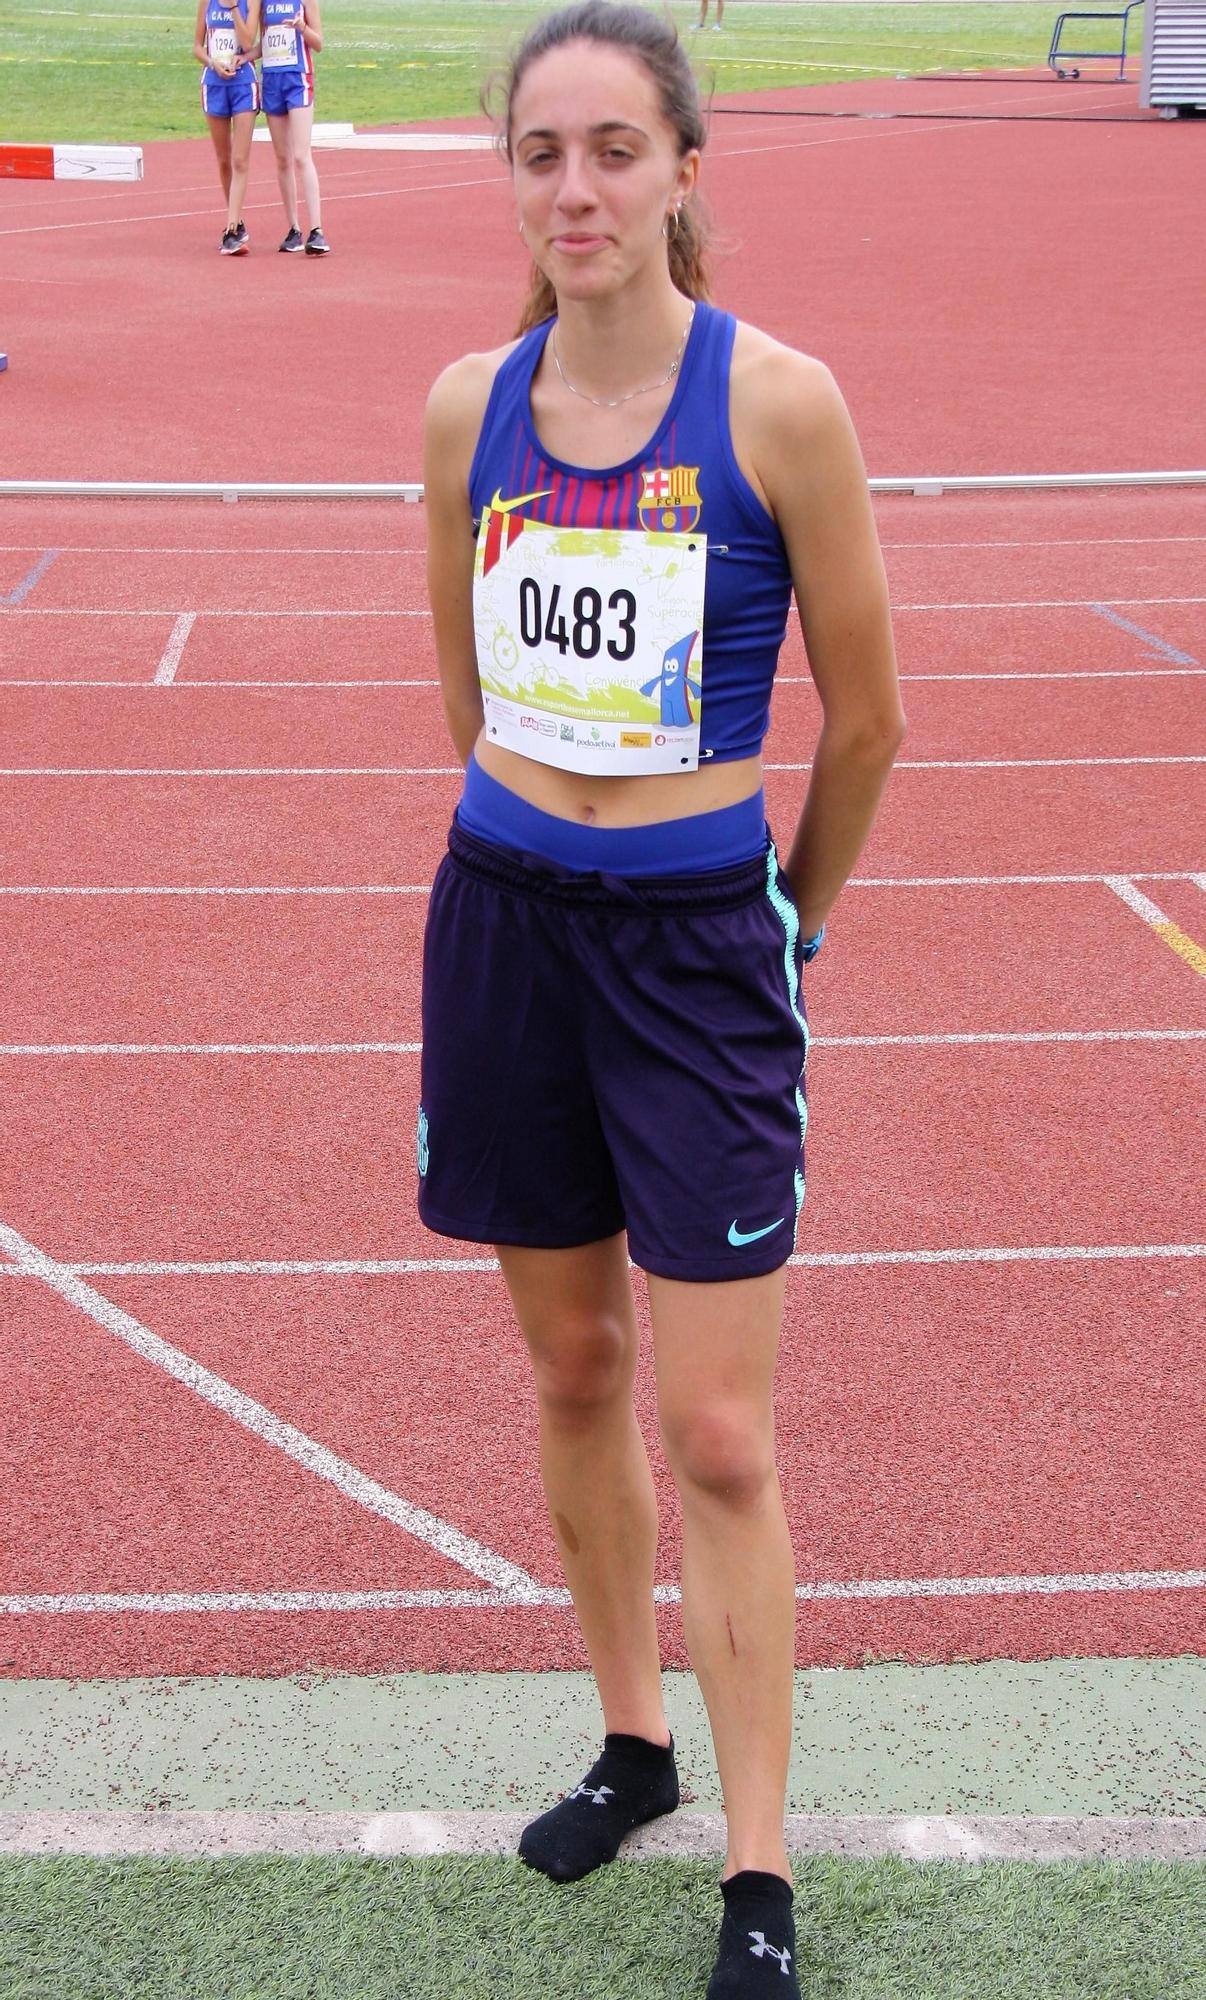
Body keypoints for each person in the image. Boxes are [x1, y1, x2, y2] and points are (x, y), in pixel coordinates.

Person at [418, 4, 904, 1994]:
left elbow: (869, 721)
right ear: (513, 179)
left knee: (714, 1424)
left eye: (618, 149)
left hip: (699, 942)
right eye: (543, 154)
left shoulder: (779, 403)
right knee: (572, 1371)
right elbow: (462, 688)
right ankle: (633, 1744)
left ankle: (759, 1866)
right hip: (509, 918)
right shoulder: (470, 406)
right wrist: (521, 838)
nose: (579, 190)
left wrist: (785, 916)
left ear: (687, 168)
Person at [244, 0, 330, 253]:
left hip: (297, 79)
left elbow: (319, 43)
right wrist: (245, 57)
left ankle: (317, 231)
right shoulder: (262, 3)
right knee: (282, 159)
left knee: (302, 155)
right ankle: (294, 229)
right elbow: (265, 43)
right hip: (272, 81)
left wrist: (302, 27)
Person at [193, 0, 260, 254]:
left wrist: (233, 9)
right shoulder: (207, 2)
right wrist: (212, 64)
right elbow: (197, 47)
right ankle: (238, 221)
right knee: (223, 159)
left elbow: (247, 40)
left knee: (240, 160)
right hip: (214, 83)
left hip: (243, 84)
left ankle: (231, 230)